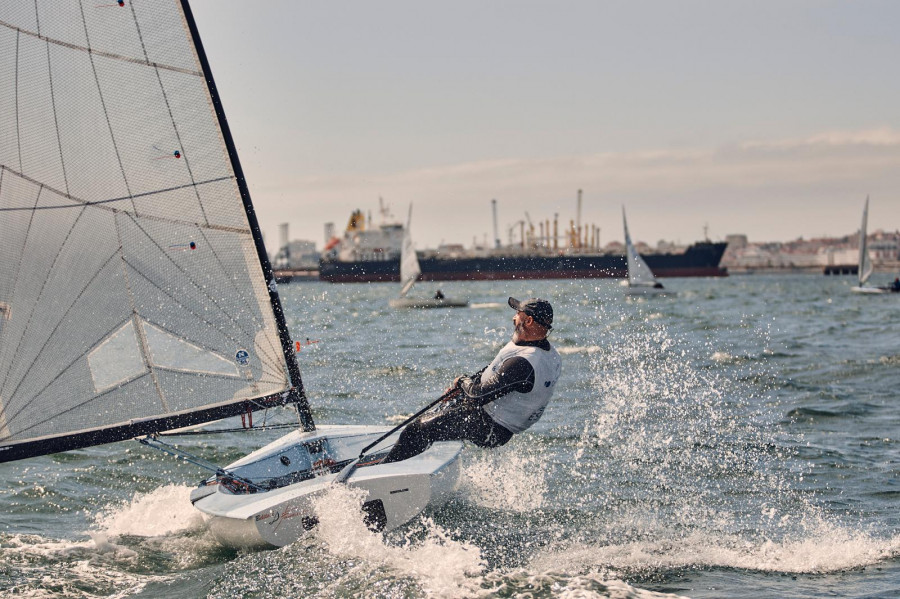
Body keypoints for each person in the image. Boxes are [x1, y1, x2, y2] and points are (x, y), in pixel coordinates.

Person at [381, 297, 562, 464]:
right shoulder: (547, 352)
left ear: (528, 321)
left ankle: (385, 472)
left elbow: (478, 395)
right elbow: (498, 374)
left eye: (517, 314)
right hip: (491, 418)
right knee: (435, 414)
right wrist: (464, 387)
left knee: (417, 429)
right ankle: (407, 458)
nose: (513, 318)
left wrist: (462, 381)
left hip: (490, 426)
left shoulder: (524, 362)